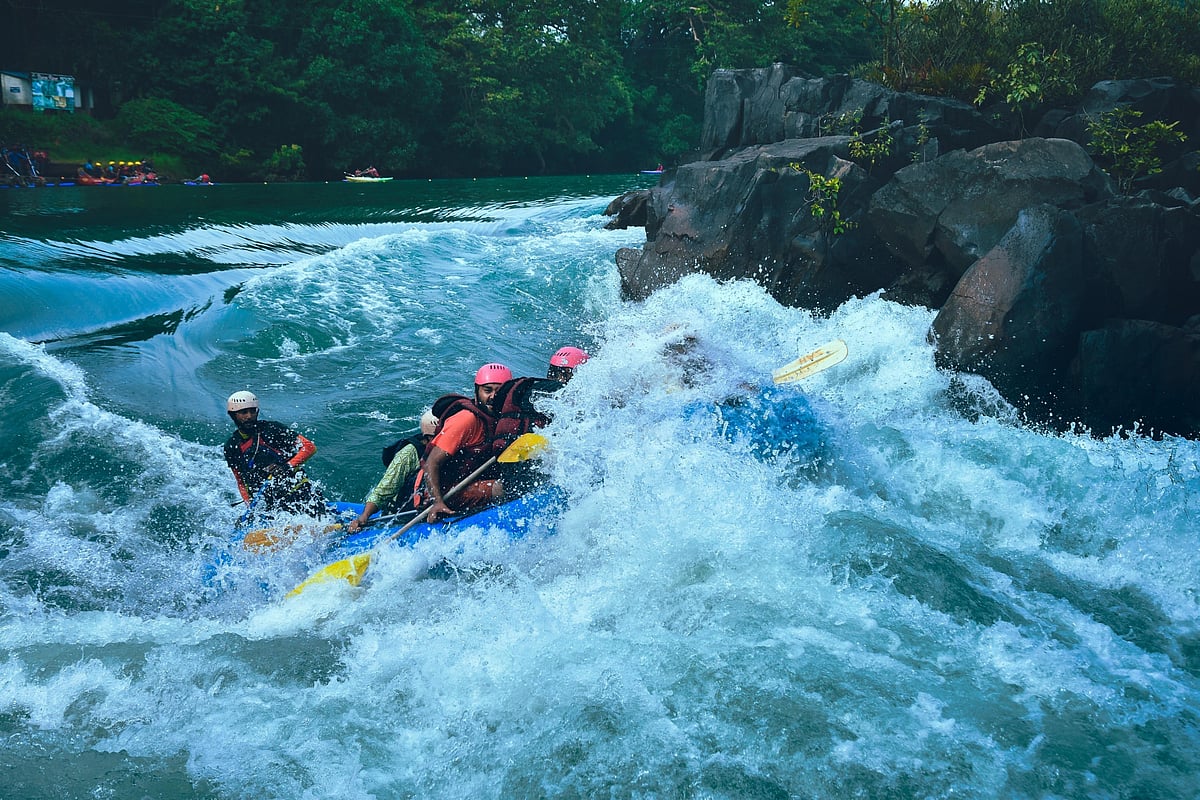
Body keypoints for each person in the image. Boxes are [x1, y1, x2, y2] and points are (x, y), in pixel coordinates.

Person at [414, 363, 514, 522]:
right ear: (476, 391)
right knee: (504, 488)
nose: (494, 396)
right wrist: (437, 502)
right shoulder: (467, 420)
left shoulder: (505, 416)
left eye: (500, 391)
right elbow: (430, 462)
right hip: (445, 491)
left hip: (469, 481)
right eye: (487, 390)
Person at [223, 391, 326, 517]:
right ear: (233, 415)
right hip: (270, 503)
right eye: (244, 412)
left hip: (298, 491)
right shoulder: (232, 446)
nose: (249, 416)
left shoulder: (272, 429)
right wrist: (250, 507)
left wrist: (286, 467)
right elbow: (241, 482)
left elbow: (309, 447)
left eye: (253, 411)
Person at [347, 409, 437, 533]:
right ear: (427, 437)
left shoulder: (448, 449)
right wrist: (364, 516)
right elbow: (383, 491)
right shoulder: (408, 454)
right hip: (403, 514)